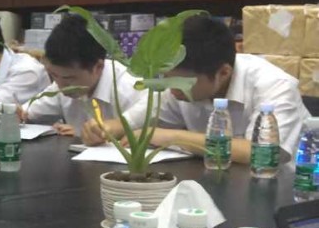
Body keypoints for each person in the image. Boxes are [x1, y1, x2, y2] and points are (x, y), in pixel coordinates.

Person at [83, 15, 308, 163]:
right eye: (167, 79)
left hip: (284, 197)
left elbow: (261, 154)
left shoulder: (275, 86)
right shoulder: (180, 84)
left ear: (223, 73)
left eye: (181, 83)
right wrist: (105, 128)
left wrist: (173, 137)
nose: (172, 90)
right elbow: (132, 122)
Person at [22, 14, 143, 137]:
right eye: (54, 75)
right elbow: (26, 112)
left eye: (69, 78)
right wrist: (17, 113)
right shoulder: (61, 82)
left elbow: (150, 124)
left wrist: (116, 127)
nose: (61, 86)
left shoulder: (128, 89)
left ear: (98, 67)